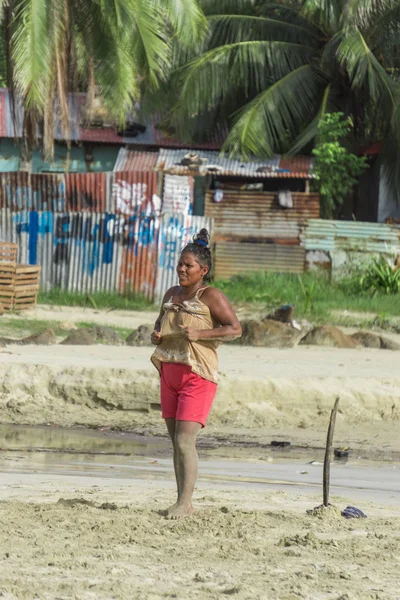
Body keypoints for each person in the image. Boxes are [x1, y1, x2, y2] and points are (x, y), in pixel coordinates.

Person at [151, 228, 242, 519]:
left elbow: (235, 329)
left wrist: (201, 332)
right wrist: (157, 335)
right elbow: (160, 323)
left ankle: (184, 503)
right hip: (169, 371)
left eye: (188, 265)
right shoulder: (171, 293)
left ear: (203, 270)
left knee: (183, 441)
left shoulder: (211, 295)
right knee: (175, 442)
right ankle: (183, 501)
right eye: (180, 264)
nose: (181, 269)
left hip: (198, 374)